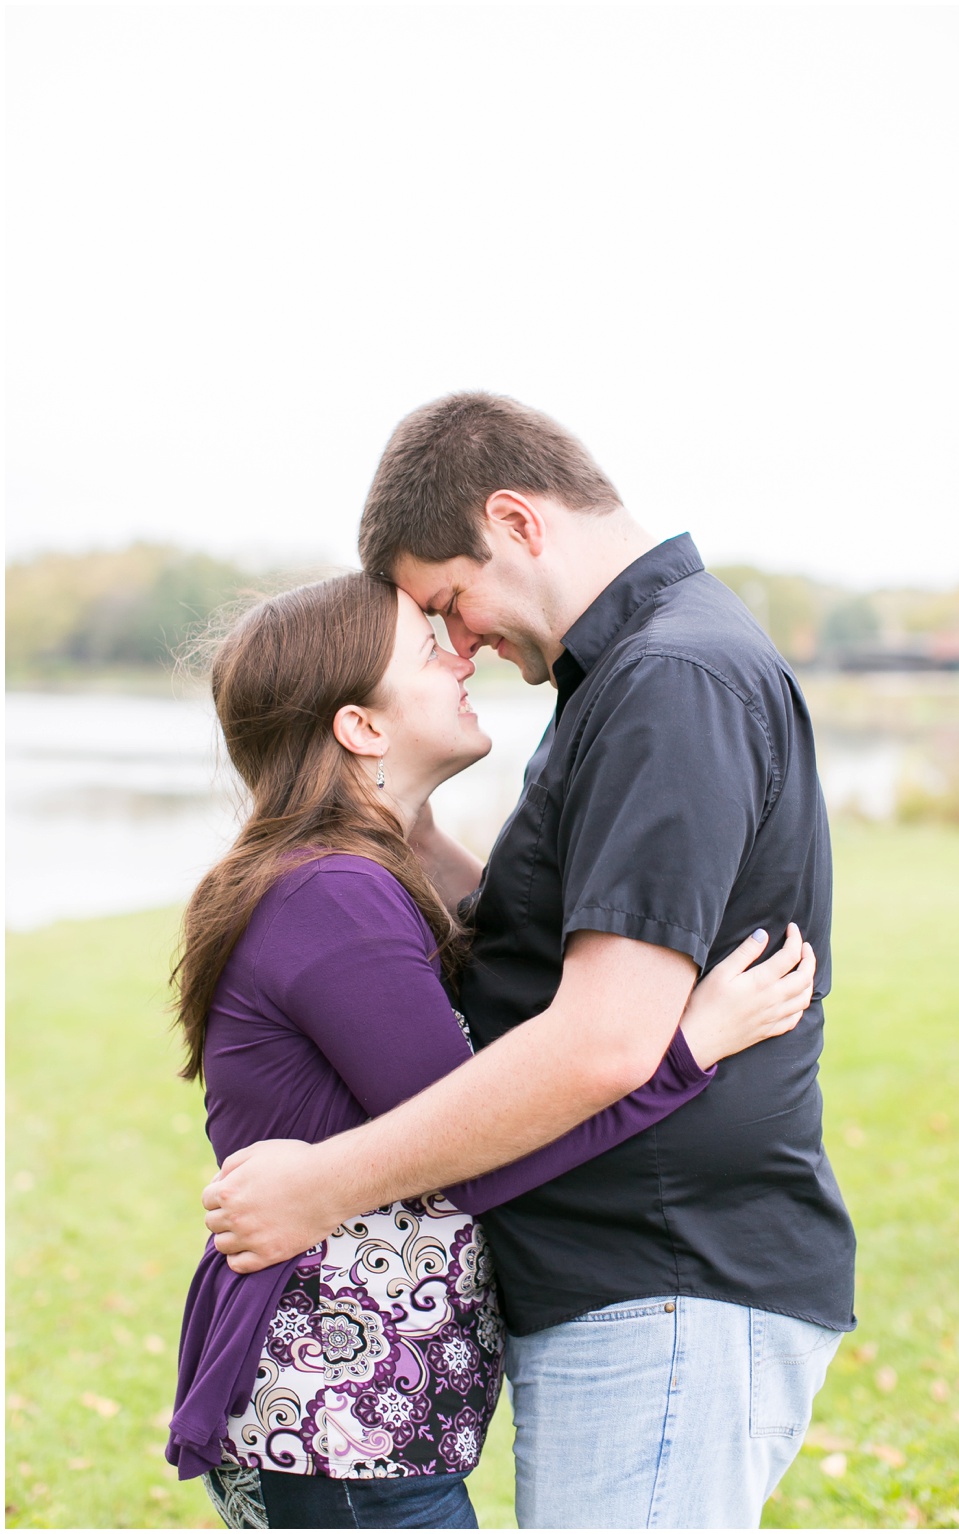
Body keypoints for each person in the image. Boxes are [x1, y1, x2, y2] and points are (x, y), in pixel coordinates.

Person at [199, 394, 857, 1528]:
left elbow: (603, 1038)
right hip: (625, 1277)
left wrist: (322, 1183)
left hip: (664, 1270)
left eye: (451, 602)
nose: (462, 643)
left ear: (516, 519)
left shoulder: (669, 681)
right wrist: (386, 817)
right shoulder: (620, 681)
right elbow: (520, 944)